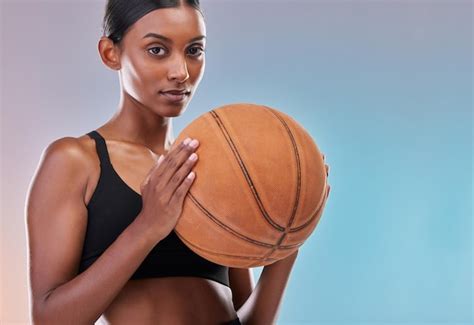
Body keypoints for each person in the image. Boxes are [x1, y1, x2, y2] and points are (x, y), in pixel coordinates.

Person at [26, 1, 331, 324]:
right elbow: (49, 318)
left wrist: (288, 241)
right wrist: (146, 228)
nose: (180, 72)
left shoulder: (218, 164)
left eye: (194, 50)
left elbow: (249, 320)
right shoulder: (76, 161)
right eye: (157, 50)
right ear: (110, 53)